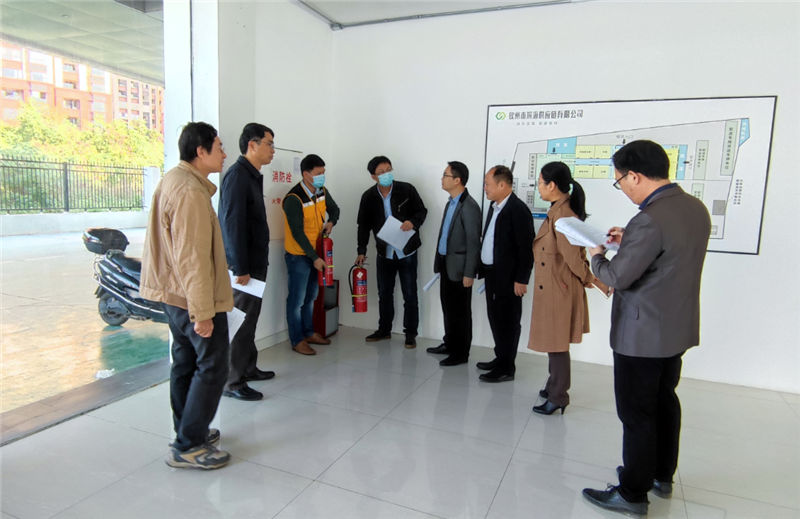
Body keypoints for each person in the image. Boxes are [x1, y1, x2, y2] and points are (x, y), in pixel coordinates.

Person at [582, 140, 711, 516]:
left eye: (620, 180)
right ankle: (661, 475)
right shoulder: (694, 208)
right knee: (664, 401)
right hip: (676, 329)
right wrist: (630, 240)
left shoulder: (649, 219)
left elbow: (617, 277)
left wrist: (596, 255)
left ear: (635, 176)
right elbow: (668, 254)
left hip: (641, 335)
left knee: (637, 413)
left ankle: (632, 493)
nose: (622, 187)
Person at [140, 122, 233, 470]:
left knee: (185, 363)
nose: (224, 154)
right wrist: (202, 312)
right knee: (213, 366)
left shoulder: (174, 180)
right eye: (219, 147)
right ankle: (189, 444)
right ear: (200, 151)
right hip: (191, 297)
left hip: (174, 295)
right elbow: (192, 257)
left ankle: (187, 430)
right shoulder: (190, 192)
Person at [527, 161, 606, 414]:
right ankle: (553, 385)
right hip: (553, 286)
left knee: (557, 344)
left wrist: (592, 279)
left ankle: (559, 395)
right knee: (554, 342)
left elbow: (573, 258)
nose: (539, 187)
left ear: (552, 185)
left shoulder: (563, 216)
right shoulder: (557, 211)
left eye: (540, 183)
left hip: (558, 289)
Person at [217, 123, 275, 401]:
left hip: (255, 264)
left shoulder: (251, 175)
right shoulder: (237, 176)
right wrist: (239, 267)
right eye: (269, 144)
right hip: (244, 269)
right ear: (252, 145)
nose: (272, 150)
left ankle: (249, 368)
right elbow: (232, 225)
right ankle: (232, 381)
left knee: (250, 320)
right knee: (240, 323)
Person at [355, 156, 427, 349]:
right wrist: (361, 250)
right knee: (384, 293)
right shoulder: (368, 197)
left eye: (388, 170)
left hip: (406, 251)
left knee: (410, 294)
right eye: (381, 172)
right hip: (384, 253)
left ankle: (410, 333)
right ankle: (384, 330)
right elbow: (363, 226)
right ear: (373, 176)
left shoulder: (407, 189)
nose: (386, 174)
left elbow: (422, 211)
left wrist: (413, 222)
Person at [476, 165, 534, 382]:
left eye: (487, 184)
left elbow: (526, 249)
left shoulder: (518, 210)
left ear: (502, 185)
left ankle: (507, 368)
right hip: (493, 274)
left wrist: (521, 279)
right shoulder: (495, 207)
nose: (485, 188)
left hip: (509, 278)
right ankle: (500, 357)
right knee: (495, 317)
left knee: (508, 322)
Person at [282, 153, 340, 356]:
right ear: (306, 174)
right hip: (299, 256)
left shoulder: (321, 191)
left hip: (317, 253)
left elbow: (335, 209)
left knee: (311, 297)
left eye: (323, 172)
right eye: (318, 173)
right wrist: (314, 258)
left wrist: (331, 222)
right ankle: (297, 340)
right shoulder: (294, 198)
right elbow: (297, 233)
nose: (322, 176)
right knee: (296, 301)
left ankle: (309, 333)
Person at [426, 161, 482, 366]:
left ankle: (461, 352)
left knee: (461, 312)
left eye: (445, 175)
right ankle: (449, 343)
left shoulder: (469, 206)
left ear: (457, 180)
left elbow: (473, 243)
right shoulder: (451, 202)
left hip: (460, 269)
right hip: (446, 264)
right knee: (448, 307)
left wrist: (469, 272)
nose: (442, 178)